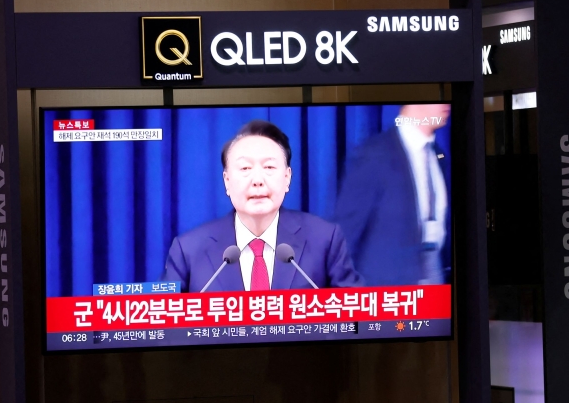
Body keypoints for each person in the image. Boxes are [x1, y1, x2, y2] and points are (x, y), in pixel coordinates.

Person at [161, 120, 363, 292]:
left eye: (269, 167)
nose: (257, 180)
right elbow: (164, 327)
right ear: (227, 181)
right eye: (245, 168)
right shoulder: (189, 250)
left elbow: (356, 317)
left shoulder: (325, 240)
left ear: (287, 178)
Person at [334, 103, 451, 287]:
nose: (446, 104)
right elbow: (347, 233)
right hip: (388, 291)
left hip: (435, 279)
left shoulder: (438, 155)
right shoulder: (374, 154)